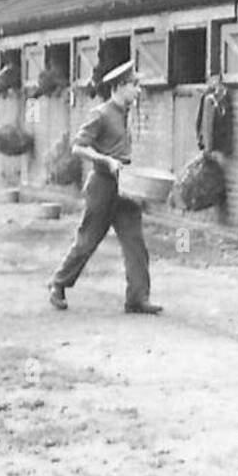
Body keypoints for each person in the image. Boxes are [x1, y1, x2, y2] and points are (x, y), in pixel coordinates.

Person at [47, 59, 162, 314]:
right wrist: (106, 160)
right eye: (135, 85)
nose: (139, 90)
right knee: (88, 240)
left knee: (135, 243)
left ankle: (137, 299)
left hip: (126, 185)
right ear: (120, 86)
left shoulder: (127, 114)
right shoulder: (100, 114)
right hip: (102, 184)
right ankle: (58, 283)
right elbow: (78, 147)